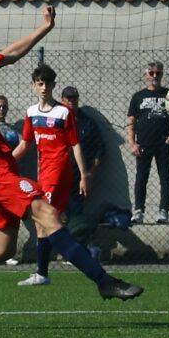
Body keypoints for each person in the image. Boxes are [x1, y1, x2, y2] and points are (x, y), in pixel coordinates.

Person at [0, 6, 143, 324]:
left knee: (2, 249)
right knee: (46, 212)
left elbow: (10, 54)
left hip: (4, 165)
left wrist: (43, 29)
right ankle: (104, 282)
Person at [13, 64, 88, 286]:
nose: (44, 87)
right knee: (43, 222)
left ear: (54, 85)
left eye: (48, 83)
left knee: (45, 219)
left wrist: (83, 175)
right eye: (40, 83)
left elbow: (75, 145)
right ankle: (45, 271)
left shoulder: (63, 112)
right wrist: (2, 162)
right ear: (34, 86)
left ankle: (63, 264)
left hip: (58, 173)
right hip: (43, 173)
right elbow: (24, 144)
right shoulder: (31, 113)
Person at [127, 62, 169, 224]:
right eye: (151, 73)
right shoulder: (138, 96)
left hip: (163, 144)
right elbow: (131, 121)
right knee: (141, 177)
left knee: (165, 177)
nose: (154, 76)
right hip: (143, 144)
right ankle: (138, 211)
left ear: (162, 74)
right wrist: (132, 143)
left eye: (158, 73)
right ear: (146, 75)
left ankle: (163, 211)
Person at [61, 86, 106, 255]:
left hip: (78, 178)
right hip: (58, 175)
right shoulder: (57, 118)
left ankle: (76, 251)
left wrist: (89, 174)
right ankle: (57, 249)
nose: (71, 102)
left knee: (76, 215)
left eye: (74, 98)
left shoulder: (87, 122)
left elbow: (99, 150)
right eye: (68, 98)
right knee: (55, 214)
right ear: (63, 99)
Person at [0, 95, 24, 266]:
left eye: (4, 107)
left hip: (11, 175)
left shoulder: (12, 130)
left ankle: (5, 252)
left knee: (10, 213)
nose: (1, 110)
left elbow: (22, 146)